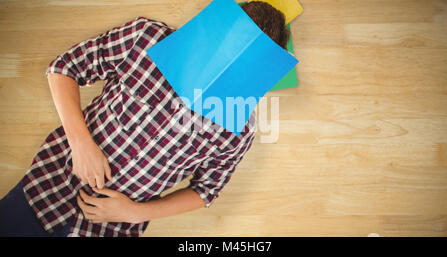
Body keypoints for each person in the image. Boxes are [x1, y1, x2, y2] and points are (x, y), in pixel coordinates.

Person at [0, 1, 290, 237]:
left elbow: (206, 190)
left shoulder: (239, 127)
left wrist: (136, 213)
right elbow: (64, 68)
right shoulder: (147, 39)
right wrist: (81, 144)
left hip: (110, 229)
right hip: (47, 185)